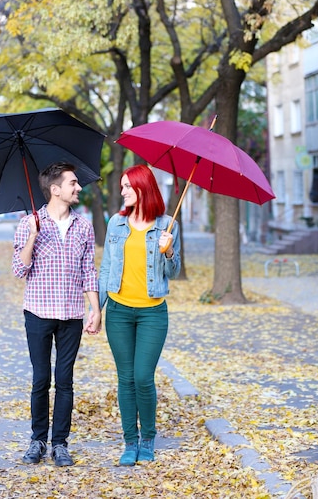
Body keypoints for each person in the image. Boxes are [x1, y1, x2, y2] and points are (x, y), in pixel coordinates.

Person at [12, 161, 101, 467]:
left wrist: (95, 309)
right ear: (55, 189)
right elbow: (18, 269)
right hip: (38, 311)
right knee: (41, 379)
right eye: (72, 183)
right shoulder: (28, 223)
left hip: (72, 315)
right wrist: (33, 237)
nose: (78, 187)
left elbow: (88, 271)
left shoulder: (83, 226)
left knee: (65, 380)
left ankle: (60, 443)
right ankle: (37, 440)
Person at [99, 164, 181, 466]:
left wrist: (169, 251)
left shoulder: (167, 226)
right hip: (119, 312)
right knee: (125, 379)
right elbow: (107, 267)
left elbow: (174, 271)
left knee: (143, 377)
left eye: (126, 187)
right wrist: (97, 308)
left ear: (142, 188)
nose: (121, 192)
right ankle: (129, 443)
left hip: (152, 314)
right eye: (121, 186)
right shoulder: (115, 224)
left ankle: (148, 438)